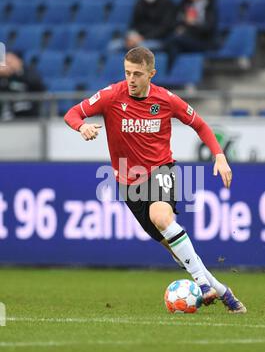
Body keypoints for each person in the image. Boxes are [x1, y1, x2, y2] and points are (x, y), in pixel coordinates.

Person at [64, 47, 246, 313]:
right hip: (128, 184)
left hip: (161, 170)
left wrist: (219, 155)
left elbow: (200, 125)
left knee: (162, 217)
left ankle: (201, 284)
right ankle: (222, 291)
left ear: (152, 74)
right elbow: (72, 113)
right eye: (127, 73)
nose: (131, 79)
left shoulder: (167, 100)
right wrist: (82, 126)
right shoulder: (112, 95)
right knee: (175, 249)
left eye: (137, 74)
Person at [109, 0, 175, 52]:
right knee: (114, 46)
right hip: (138, 38)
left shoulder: (167, 3)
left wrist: (144, 38)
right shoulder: (139, 2)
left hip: (158, 39)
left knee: (142, 47)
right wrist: (131, 37)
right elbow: (133, 24)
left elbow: (164, 28)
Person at [165, 0, 218, 68]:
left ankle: (169, 69)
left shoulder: (209, 6)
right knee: (175, 47)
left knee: (173, 41)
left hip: (202, 40)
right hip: (186, 38)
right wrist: (181, 27)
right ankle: (176, 72)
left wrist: (193, 24)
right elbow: (176, 21)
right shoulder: (185, 5)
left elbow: (208, 28)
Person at [0, 52, 44, 121]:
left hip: (29, 113)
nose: (9, 65)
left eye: (11, 61)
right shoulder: (5, 77)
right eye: (7, 62)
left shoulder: (29, 72)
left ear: (19, 61)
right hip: (10, 115)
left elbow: (38, 85)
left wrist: (18, 72)